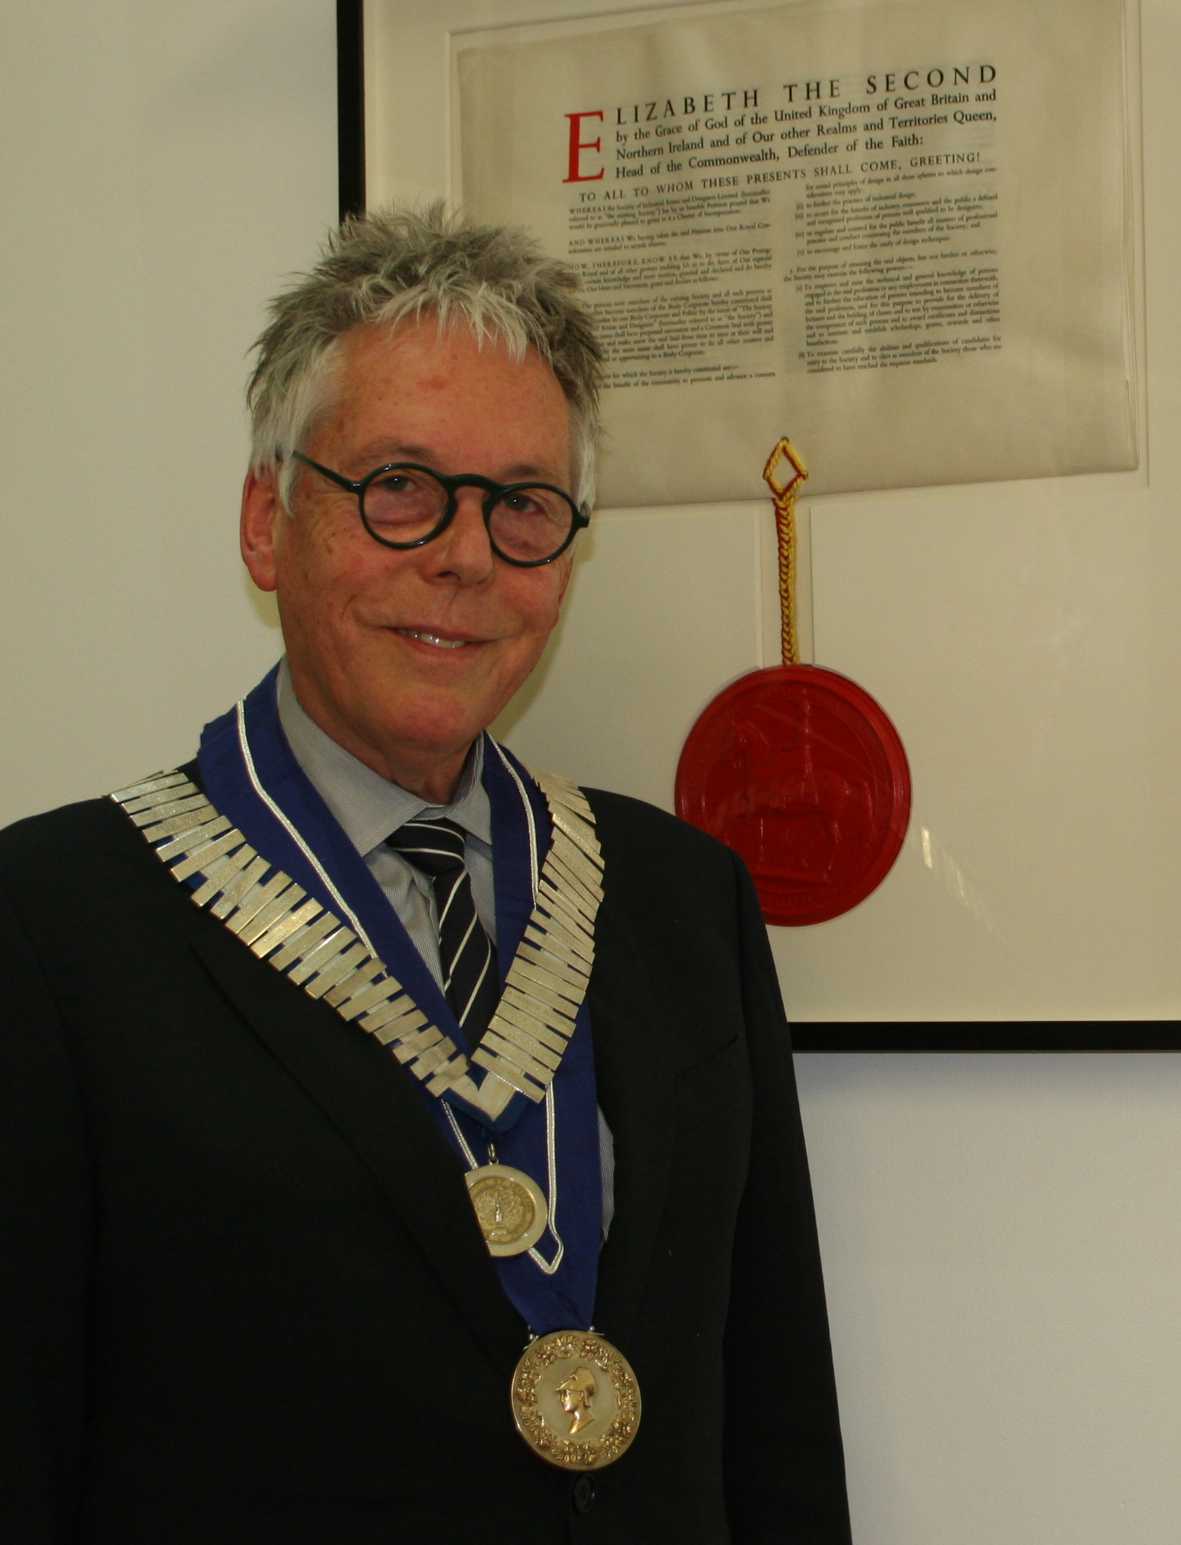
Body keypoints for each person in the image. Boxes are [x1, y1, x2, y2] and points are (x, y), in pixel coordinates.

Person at [0, 204, 851, 1543]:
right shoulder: (48, 928)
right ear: (265, 517)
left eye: (521, 504)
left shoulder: (685, 901)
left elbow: (775, 1424)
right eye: (399, 485)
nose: (465, 555)